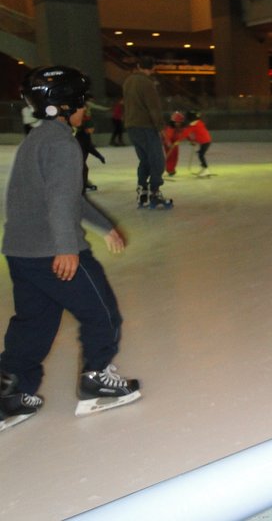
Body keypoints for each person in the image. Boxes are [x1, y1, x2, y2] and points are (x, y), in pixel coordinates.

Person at [0, 66, 141, 432]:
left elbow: (64, 196)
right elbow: (62, 201)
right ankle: (96, 380)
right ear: (65, 106)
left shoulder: (36, 139)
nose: (86, 109)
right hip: (54, 251)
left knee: (33, 324)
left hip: (21, 252)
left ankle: (9, 393)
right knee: (102, 314)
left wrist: (105, 225)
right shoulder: (63, 144)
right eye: (82, 102)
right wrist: (66, 248)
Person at [122, 56, 173, 209]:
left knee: (144, 160)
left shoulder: (128, 81)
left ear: (138, 65)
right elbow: (153, 107)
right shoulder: (147, 83)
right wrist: (161, 129)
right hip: (146, 126)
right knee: (157, 160)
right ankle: (154, 193)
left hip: (132, 126)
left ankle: (142, 192)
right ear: (153, 68)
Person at [73, 101, 106, 191]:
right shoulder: (82, 137)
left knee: (84, 169)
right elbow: (89, 148)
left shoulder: (84, 135)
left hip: (81, 156)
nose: (93, 130)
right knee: (82, 169)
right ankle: (81, 186)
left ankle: (84, 184)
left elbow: (89, 147)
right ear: (87, 128)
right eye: (92, 128)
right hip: (79, 156)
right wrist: (99, 156)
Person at [177, 111, 213, 177]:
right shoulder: (199, 123)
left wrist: (178, 141)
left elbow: (185, 133)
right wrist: (194, 140)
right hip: (206, 141)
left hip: (205, 141)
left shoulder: (193, 125)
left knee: (201, 155)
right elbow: (199, 133)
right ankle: (204, 168)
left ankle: (206, 169)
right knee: (200, 154)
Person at [163, 111, 183, 176]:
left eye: (179, 122)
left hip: (175, 144)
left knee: (175, 157)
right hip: (169, 145)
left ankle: (171, 169)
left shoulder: (179, 128)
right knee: (170, 157)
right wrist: (169, 144)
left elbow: (184, 134)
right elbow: (167, 137)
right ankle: (168, 169)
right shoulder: (170, 128)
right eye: (177, 122)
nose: (178, 123)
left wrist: (191, 140)